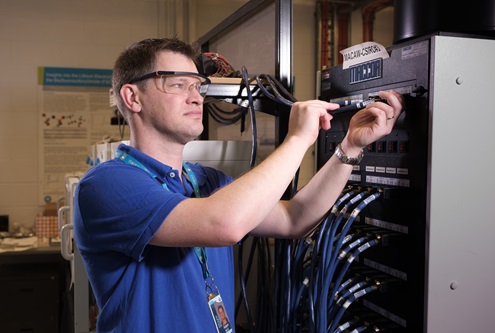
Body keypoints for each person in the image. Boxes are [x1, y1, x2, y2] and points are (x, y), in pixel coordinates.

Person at [73, 37, 404, 332]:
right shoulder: (106, 184)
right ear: (132, 97)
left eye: (197, 86)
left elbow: (295, 219)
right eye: (177, 85)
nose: (196, 98)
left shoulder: (204, 180)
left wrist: (349, 148)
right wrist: (298, 138)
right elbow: (225, 225)